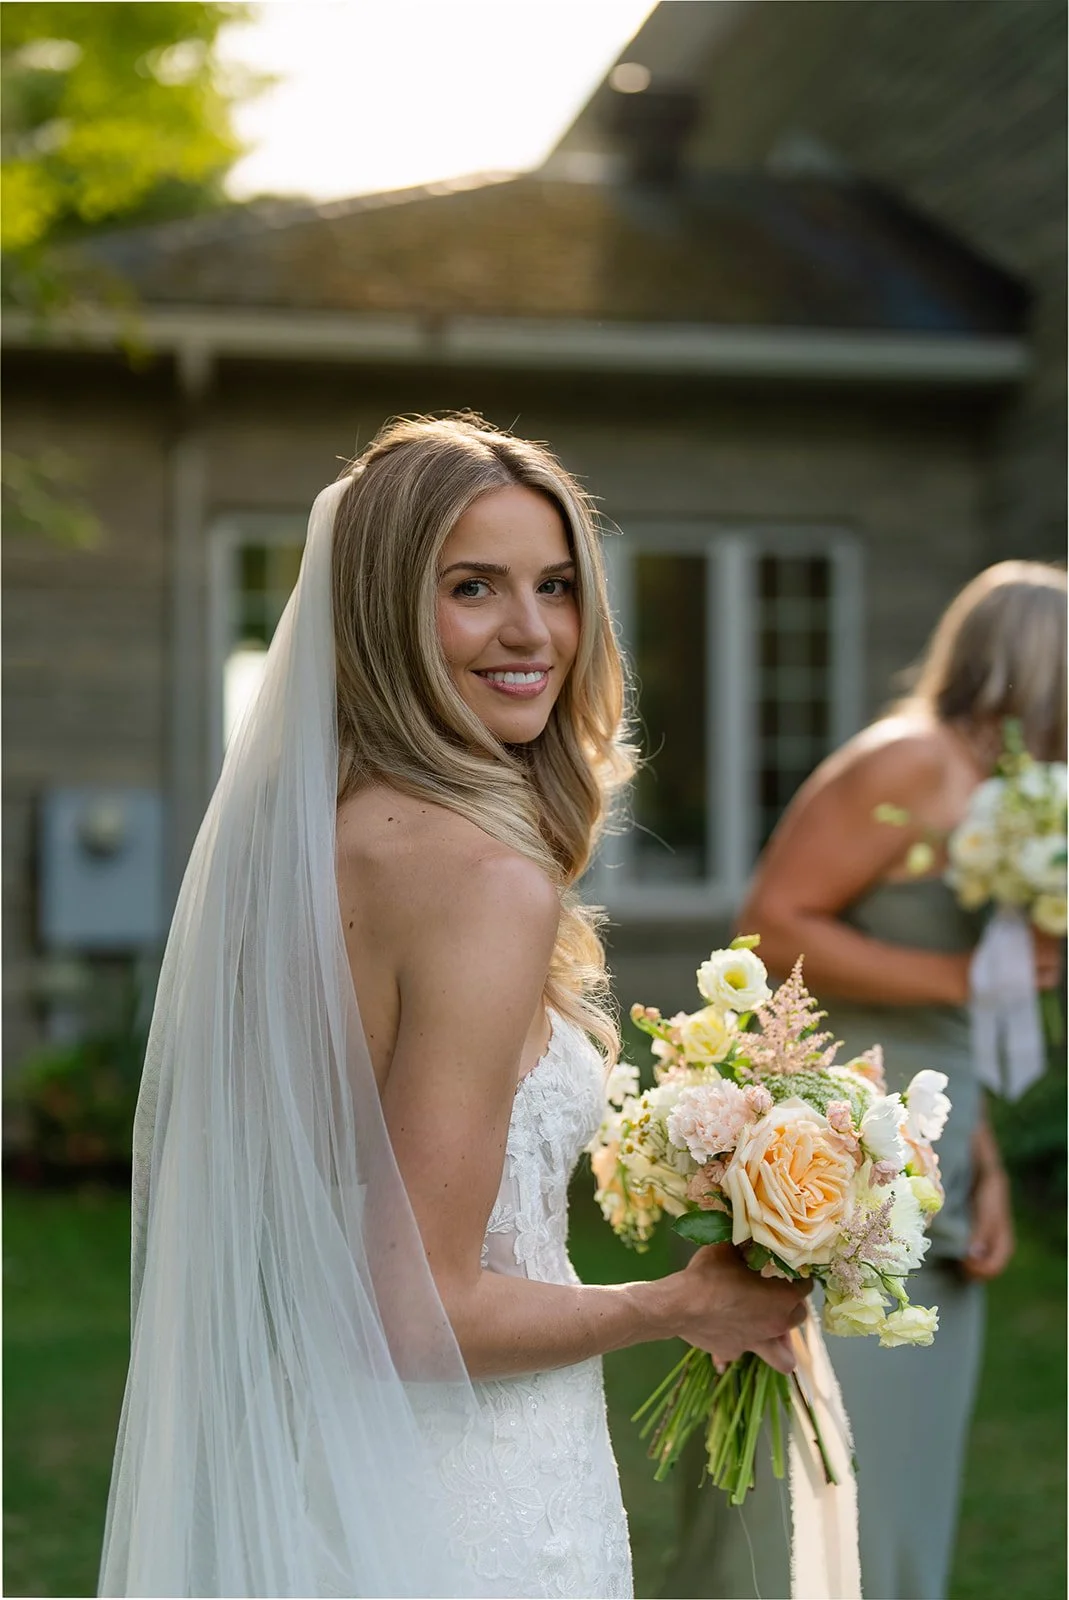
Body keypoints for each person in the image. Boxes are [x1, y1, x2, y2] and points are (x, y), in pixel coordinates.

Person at [98, 414, 812, 1600]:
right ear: (379, 609)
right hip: (460, 1510)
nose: (531, 631)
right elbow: (416, 1313)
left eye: (557, 585)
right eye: (471, 587)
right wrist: (678, 1303)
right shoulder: (479, 879)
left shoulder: (311, 850)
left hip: (307, 1472)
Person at [661, 559, 1066, 1600]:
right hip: (831, 1178)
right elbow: (772, 917)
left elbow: (948, 1016)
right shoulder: (908, 761)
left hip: (933, 1155)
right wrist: (969, 971)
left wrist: (974, 1154)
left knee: (898, 1488)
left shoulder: (1011, 801)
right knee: (812, 1483)